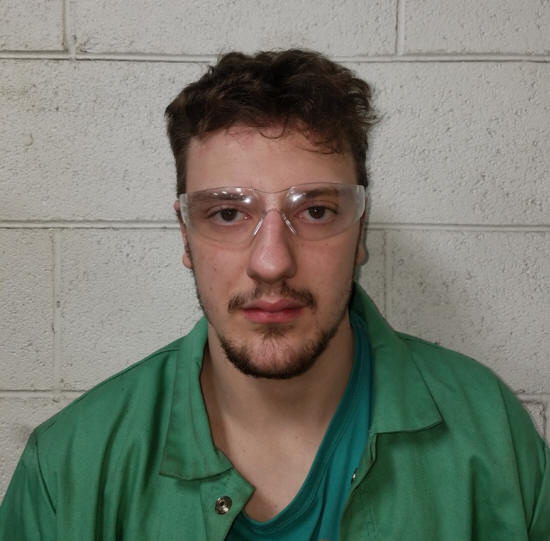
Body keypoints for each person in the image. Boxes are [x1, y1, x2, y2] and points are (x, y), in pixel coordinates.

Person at [0, 49, 548, 541]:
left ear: (360, 230)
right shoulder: (69, 468)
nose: (271, 262)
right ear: (186, 236)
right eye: (227, 214)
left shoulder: (490, 434)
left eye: (315, 211)